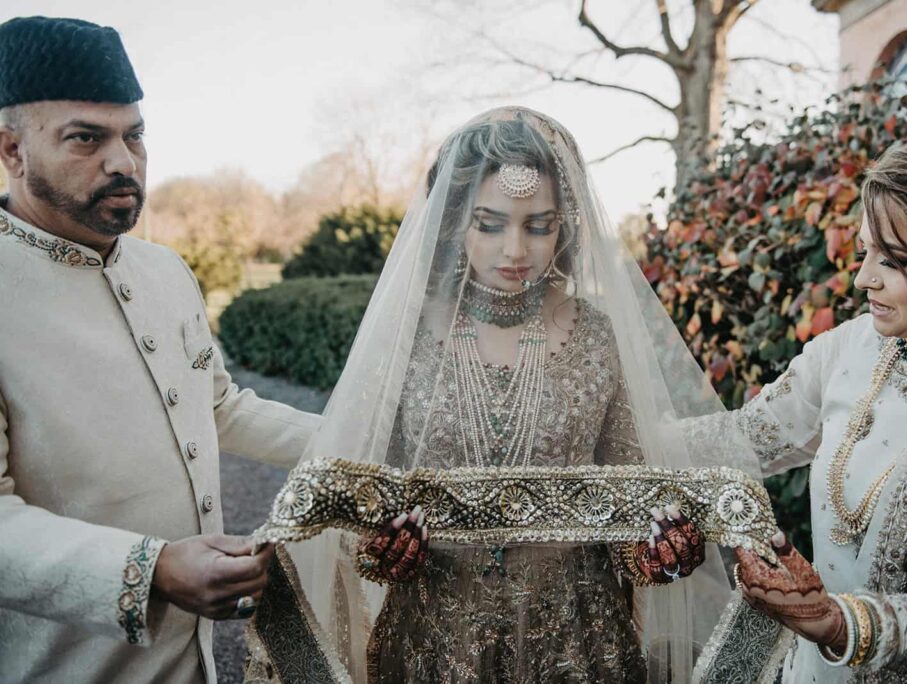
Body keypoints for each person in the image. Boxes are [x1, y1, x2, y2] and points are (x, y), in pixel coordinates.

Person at [243, 107, 764, 683]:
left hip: (577, 635)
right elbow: (364, 494)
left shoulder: (595, 337)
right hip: (434, 638)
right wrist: (379, 547)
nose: (515, 249)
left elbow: (627, 500)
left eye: (538, 225)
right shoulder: (406, 339)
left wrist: (656, 553)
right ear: (452, 223)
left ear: (564, 225)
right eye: (489, 224)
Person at [0, 16, 321, 683]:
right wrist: (148, 571)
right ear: (11, 150)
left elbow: (221, 407)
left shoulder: (165, 271)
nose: (123, 162)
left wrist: (372, 439)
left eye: (134, 136)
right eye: (86, 138)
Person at [693, 134, 907, 682]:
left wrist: (838, 624)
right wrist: (618, 435)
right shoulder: (851, 347)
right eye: (865, 250)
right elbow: (744, 438)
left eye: (892, 261)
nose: (862, 277)